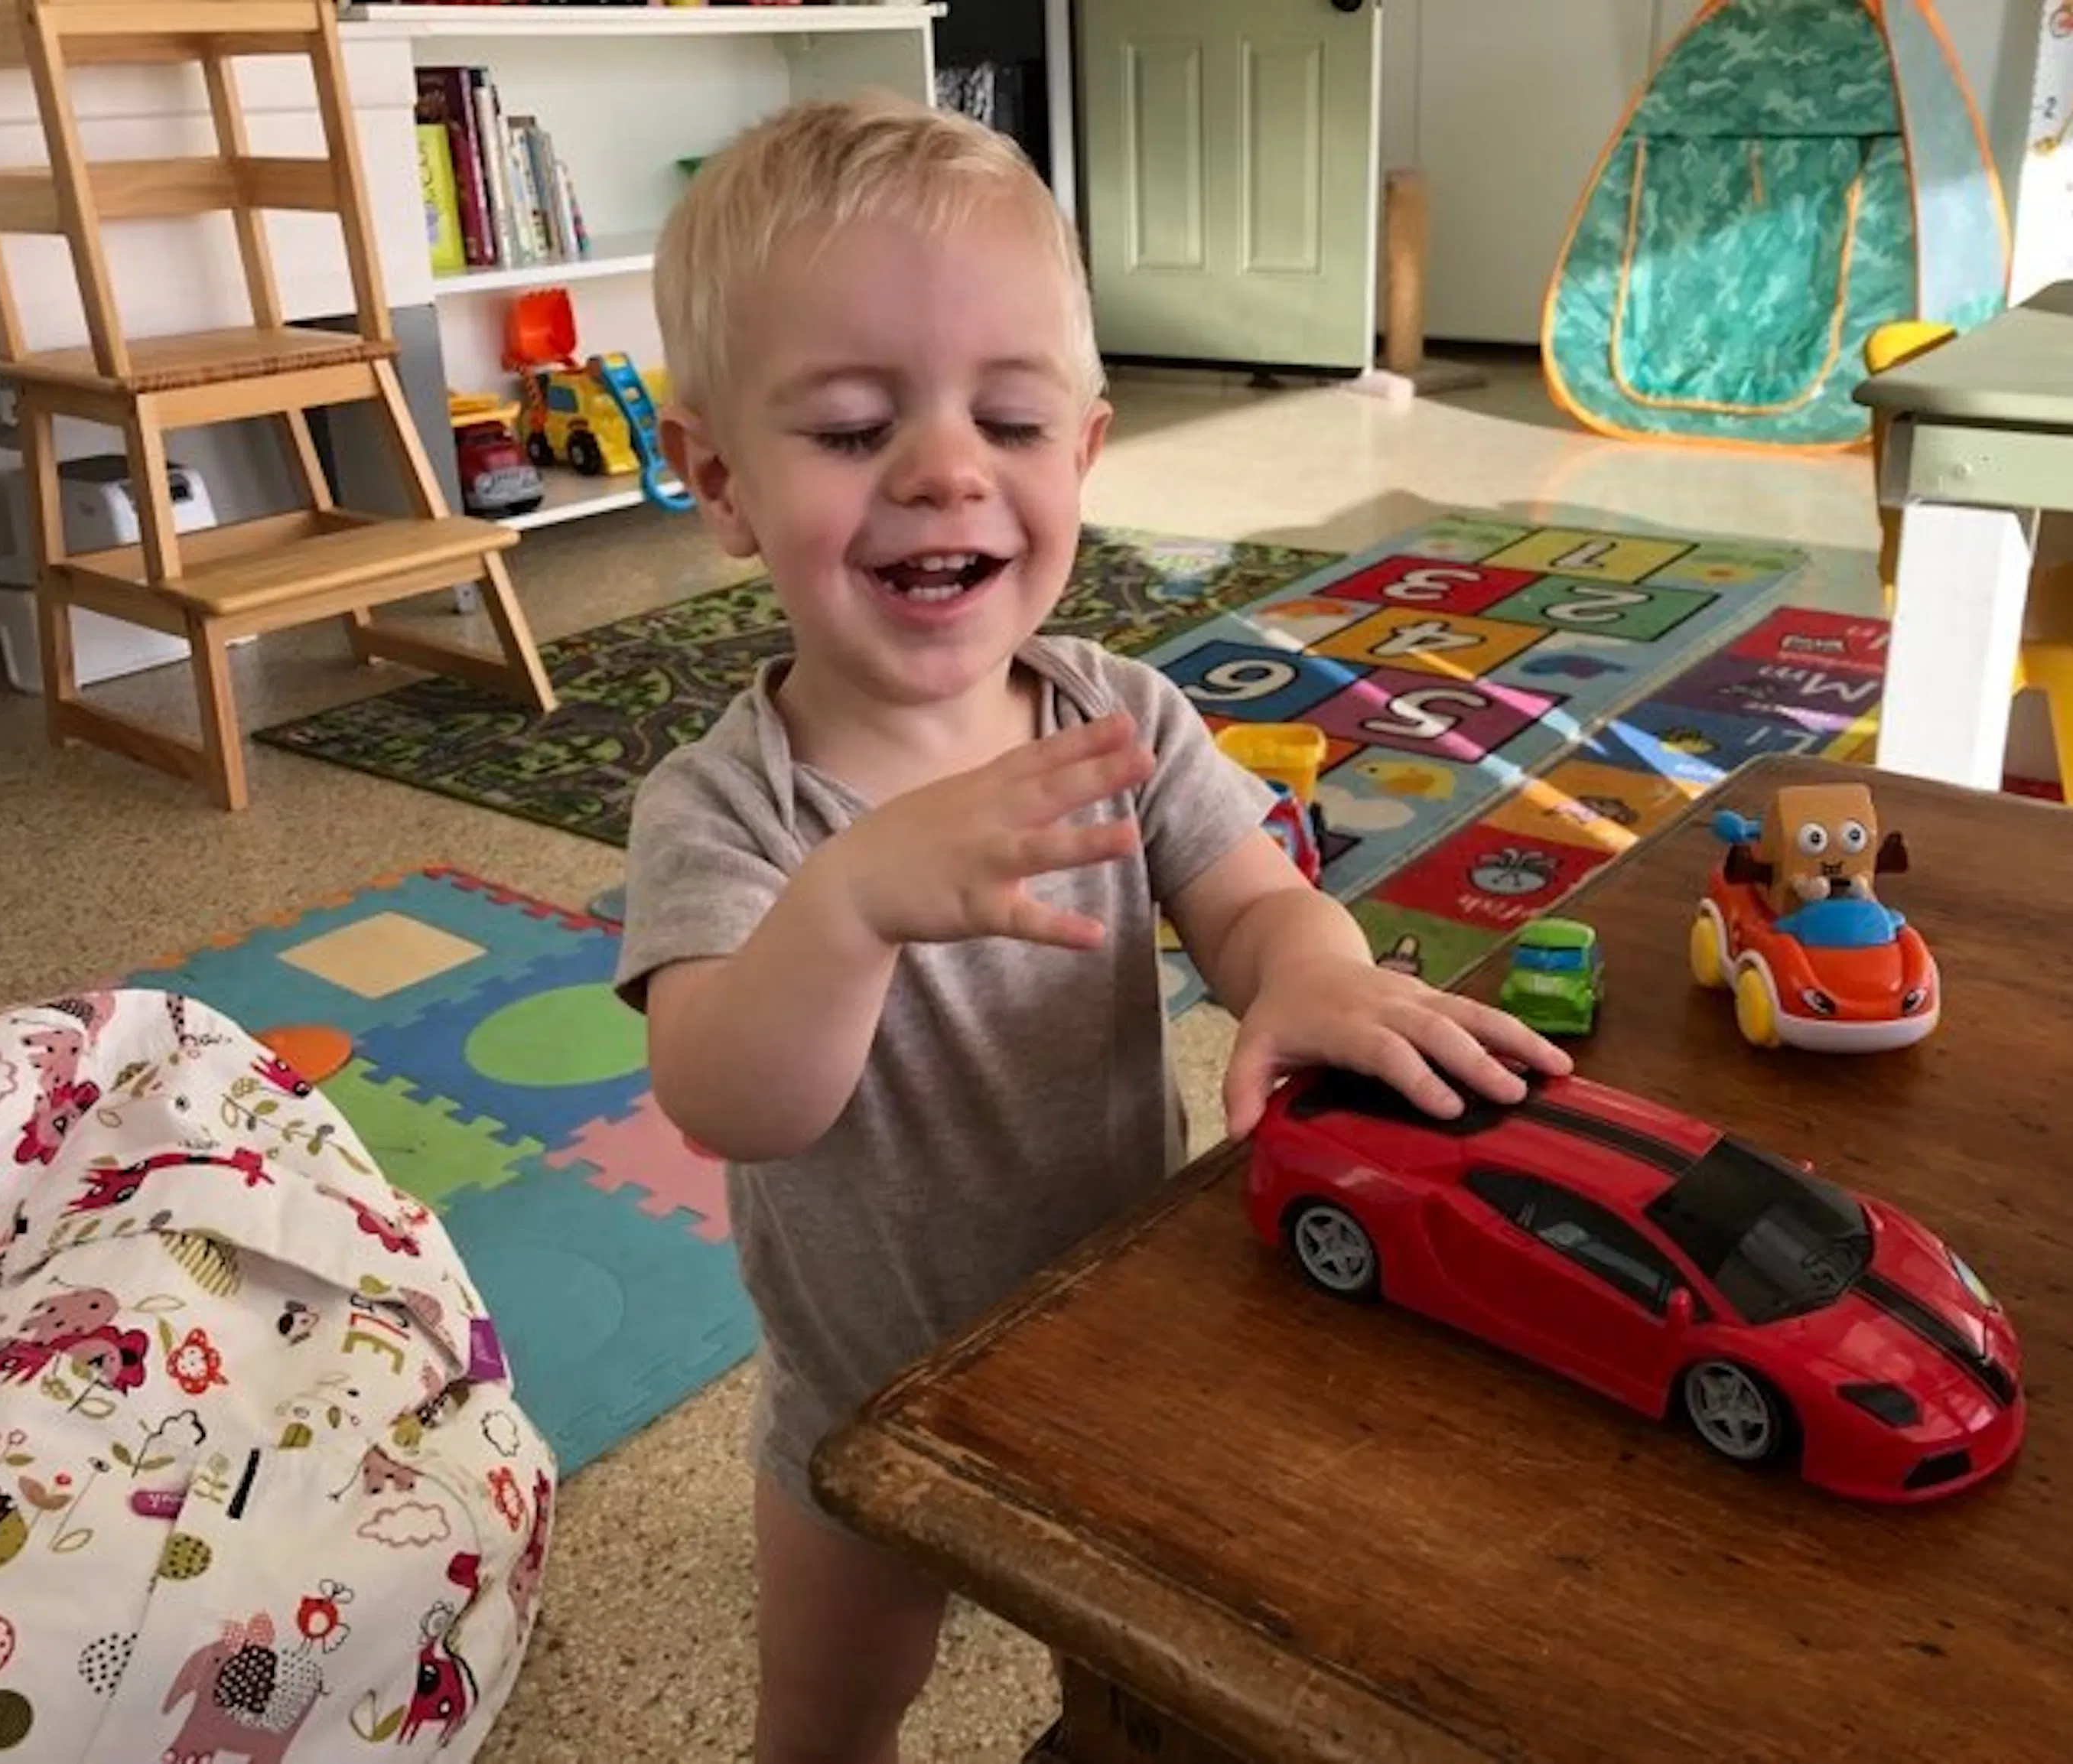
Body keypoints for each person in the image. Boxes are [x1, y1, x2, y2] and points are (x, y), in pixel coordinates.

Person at [614, 93, 1571, 1764]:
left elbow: (1254, 899)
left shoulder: (1118, 716)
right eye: (850, 427)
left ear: (1084, 452)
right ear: (719, 480)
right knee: (826, 1721)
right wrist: (851, 904)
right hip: (864, 1404)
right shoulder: (725, 808)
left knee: (1148, 1693)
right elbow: (727, 1098)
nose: (944, 470)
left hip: (1125, 1351)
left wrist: (1309, 975)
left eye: (1010, 418)